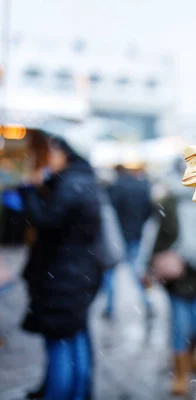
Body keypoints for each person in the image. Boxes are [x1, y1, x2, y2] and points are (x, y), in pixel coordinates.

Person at [19, 134, 101, 400]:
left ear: (64, 153)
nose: (47, 159)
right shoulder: (83, 180)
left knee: (60, 343)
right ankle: (79, 394)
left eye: (50, 153)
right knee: (74, 338)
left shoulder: (70, 184)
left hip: (64, 276)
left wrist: (31, 190)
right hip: (79, 273)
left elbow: (46, 220)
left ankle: (60, 394)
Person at [150, 161, 196, 396]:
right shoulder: (169, 201)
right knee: (180, 329)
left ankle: (192, 360)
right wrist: (150, 266)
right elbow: (159, 235)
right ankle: (180, 374)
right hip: (178, 278)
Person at [103, 164, 154, 319]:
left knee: (111, 274)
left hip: (117, 237)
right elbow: (149, 211)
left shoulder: (115, 188)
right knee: (137, 272)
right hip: (135, 236)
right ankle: (146, 303)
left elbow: (110, 215)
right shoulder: (141, 187)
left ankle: (110, 308)